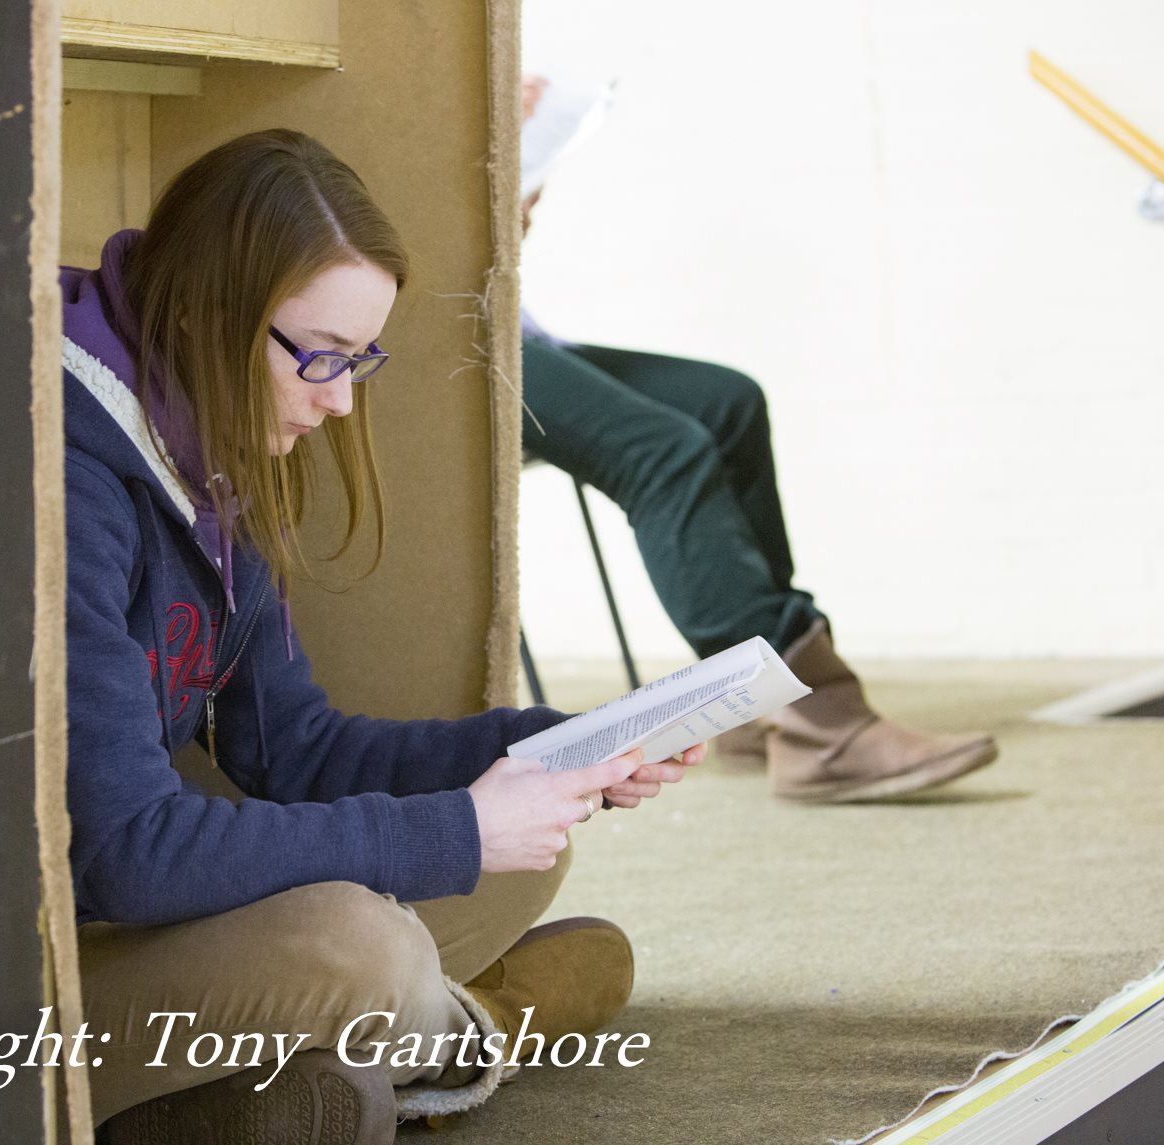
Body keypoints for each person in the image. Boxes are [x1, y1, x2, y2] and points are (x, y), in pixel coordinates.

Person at [59, 129, 705, 1145]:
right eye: (320, 356)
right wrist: (457, 827)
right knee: (364, 945)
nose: (339, 399)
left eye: (359, 359)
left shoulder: (205, 434)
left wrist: (548, 747)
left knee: (521, 850)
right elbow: (127, 853)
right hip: (19, 977)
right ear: (204, 313)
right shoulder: (66, 476)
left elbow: (295, 750)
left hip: (127, 922)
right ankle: (474, 1028)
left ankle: (310, 1076)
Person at [520, 76, 997, 803]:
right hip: (439, 350)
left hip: (510, 329)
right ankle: (820, 726)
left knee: (727, 402)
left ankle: (757, 708)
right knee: (662, 451)